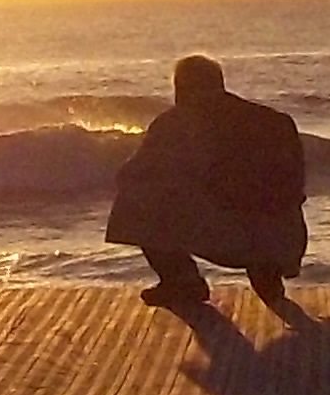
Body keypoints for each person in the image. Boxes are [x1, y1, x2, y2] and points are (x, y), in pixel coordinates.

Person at [104, 54, 307, 307]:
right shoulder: (275, 120)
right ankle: (267, 272)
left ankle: (181, 280)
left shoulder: (177, 122)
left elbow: (132, 173)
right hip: (285, 237)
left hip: (231, 238)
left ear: (181, 88)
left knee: (135, 197)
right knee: (242, 201)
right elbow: (295, 184)